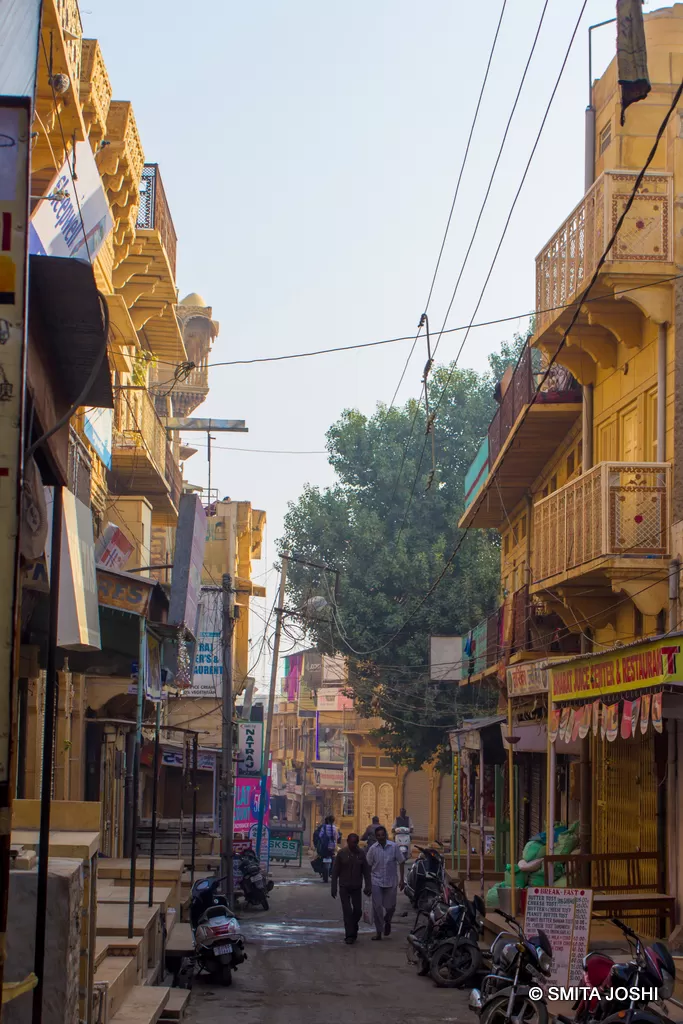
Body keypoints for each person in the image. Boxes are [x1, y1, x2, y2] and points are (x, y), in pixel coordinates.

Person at [365, 825, 405, 941]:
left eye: (383, 835)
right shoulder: (373, 849)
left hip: (391, 881)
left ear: (386, 835)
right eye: (378, 835)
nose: (381, 837)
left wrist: (402, 880)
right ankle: (379, 932)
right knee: (377, 907)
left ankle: (388, 920)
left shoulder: (394, 847)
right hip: (376, 881)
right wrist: (368, 883)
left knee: (390, 907)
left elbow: (401, 861)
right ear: (376, 837)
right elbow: (368, 865)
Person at [331, 833, 371, 944]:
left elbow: (366, 872)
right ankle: (349, 935)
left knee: (358, 911)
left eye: (356, 842)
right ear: (347, 841)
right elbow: (335, 872)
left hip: (356, 887)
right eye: (352, 842)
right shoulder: (342, 853)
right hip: (344, 887)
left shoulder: (361, 854)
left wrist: (368, 885)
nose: (354, 845)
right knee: (347, 911)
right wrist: (333, 887)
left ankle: (353, 926)